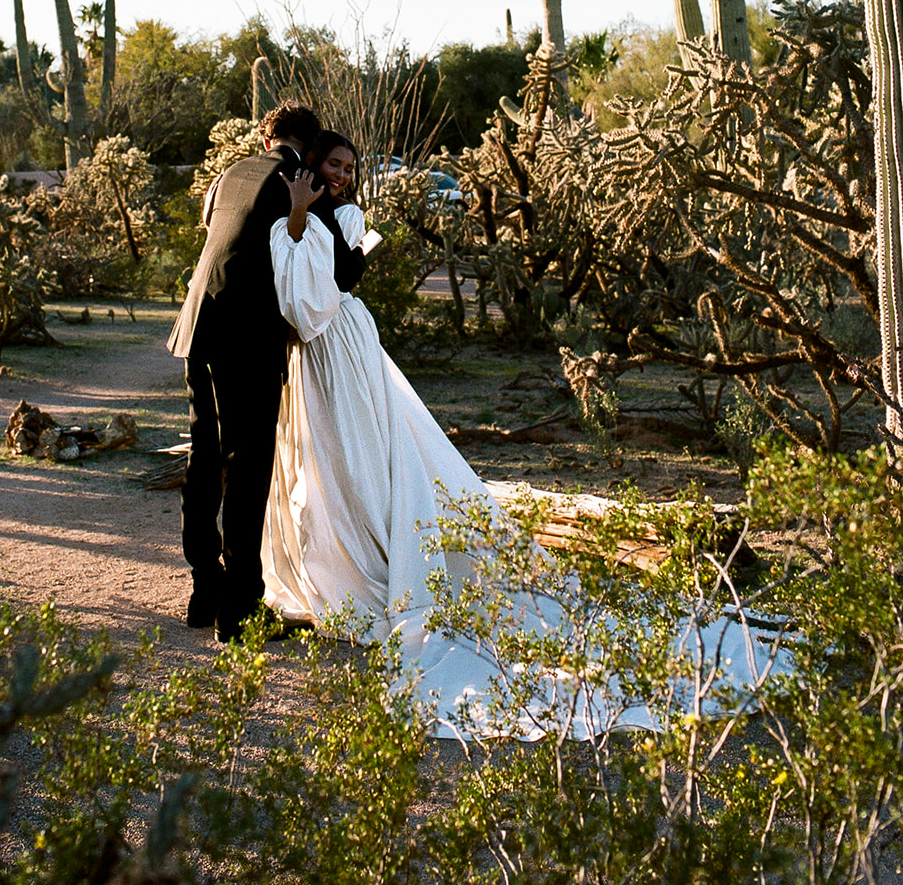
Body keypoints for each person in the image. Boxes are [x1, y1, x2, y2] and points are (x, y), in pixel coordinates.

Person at [261, 132, 782, 739]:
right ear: (313, 163)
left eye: (350, 166)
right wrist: (299, 217)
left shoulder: (338, 217)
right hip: (314, 355)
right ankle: (339, 558)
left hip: (342, 343)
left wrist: (306, 219)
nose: (345, 175)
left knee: (361, 454)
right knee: (327, 460)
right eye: (335, 164)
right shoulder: (294, 220)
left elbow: (325, 291)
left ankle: (372, 559)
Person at [168, 102, 365, 643]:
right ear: (308, 145)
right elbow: (344, 273)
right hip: (246, 340)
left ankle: (205, 590)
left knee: (204, 458)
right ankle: (242, 607)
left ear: (268, 136)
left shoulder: (232, 172)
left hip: (198, 325)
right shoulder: (295, 178)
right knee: (249, 467)